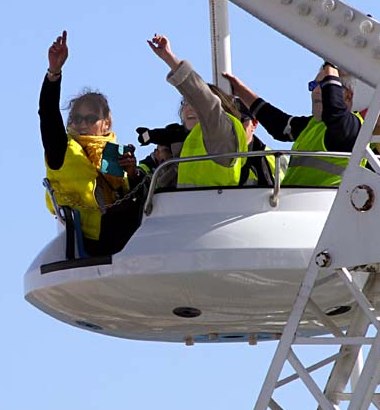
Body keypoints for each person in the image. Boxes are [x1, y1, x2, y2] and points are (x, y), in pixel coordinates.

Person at [39, 31, 141, 256]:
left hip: (123, 233)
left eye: (90, 118)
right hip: (93, 237)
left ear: (107, 123)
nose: (82, 124)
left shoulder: (115, 153)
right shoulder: (62, 150)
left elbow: (132, 197)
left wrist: (132, 173)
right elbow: (47, 114)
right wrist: (54, 73)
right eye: (76, 118)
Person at [223, 62, 362, 187]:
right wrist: (240, 91)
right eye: (314, 85)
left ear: (348, 96)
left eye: (325, 85)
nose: (317, 91)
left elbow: (335, 112)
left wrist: (330, 63)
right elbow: (279, 125)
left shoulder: (352, 127)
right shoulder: (313, 125)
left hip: (326, 207)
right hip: (297, 205)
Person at [146, 34, 248, 188]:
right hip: (190, 209)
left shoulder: (221, 131)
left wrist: (170, 59)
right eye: (185, 102)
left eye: (193, 102)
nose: (189, 107)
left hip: (213, 207)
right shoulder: (192, 138)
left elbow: (203, 98)